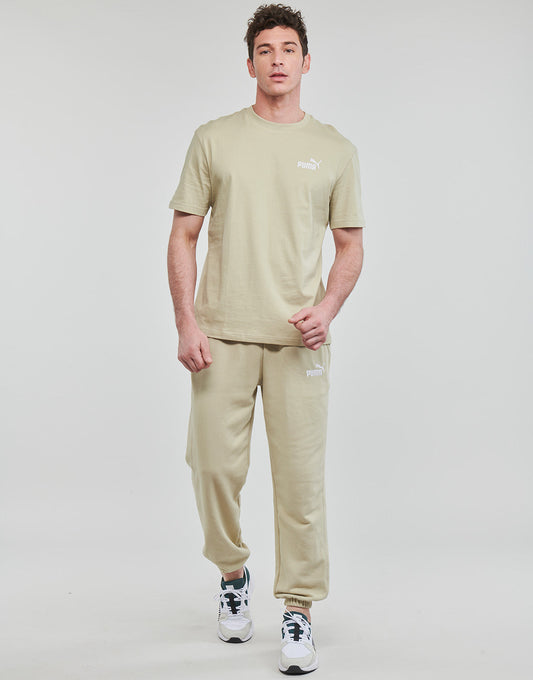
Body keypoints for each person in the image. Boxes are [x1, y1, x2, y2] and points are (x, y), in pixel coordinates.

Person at [166, 3, 365, 674]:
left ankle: (298, 607)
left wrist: (329, 307)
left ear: (306, 61)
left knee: (300, 484)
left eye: (287, 49)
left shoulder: (335, 149)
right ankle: (232, 573)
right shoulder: (214, 139)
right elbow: (183, 234)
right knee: (212, 468)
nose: (277, 60)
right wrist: (186, 321)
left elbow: (349, 244)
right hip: (220, 335)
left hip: (298, 343)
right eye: (264, 50)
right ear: (249, 63)